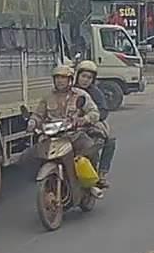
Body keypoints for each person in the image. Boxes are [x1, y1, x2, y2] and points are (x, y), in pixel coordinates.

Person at [28, 64, 102, 195]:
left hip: (74, 135)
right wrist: (32, 122)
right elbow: (38, 114)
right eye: (57, 78)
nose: (60, 81)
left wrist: (84, 119)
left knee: (90, 148)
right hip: (52, 137)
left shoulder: (80, 95)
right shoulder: (47, 97)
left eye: (63, 78)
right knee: (28, 156)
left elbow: (94, 112)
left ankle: (92, 182)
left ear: (70, 80)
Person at [74, 60, 116, 189]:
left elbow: (103, 111)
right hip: (68, 125)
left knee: (109, 141)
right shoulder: (68, 90)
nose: (85, 80)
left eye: (89, 78)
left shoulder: (96, 93)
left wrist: (89, 119)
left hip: (89, 125)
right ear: (77, 75)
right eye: (83, 76)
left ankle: (101, 174)